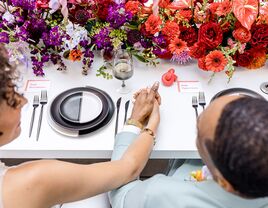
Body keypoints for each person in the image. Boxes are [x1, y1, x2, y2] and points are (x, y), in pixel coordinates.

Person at [0, 44, 161, 208]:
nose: (23, 101)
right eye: (10, 97)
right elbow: (129, 169)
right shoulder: (31, 181)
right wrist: (145, 122)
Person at [110, 95, 268, 207]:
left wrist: (134, 122)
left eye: (198, 130)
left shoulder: (161, 195)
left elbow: (120, 191)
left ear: (222, 181)